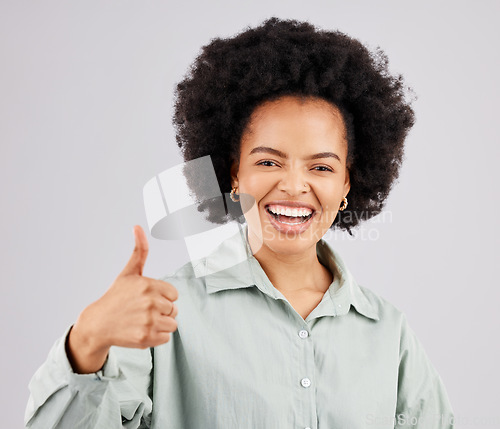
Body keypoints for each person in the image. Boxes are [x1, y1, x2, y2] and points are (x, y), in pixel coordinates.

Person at [25, 18, 454, 429]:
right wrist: (88, 340)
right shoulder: (167, 315)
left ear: (347, 182)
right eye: (268, 161)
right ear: (233, 175)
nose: (293, 186)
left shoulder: (387, 332)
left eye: (321, 168)